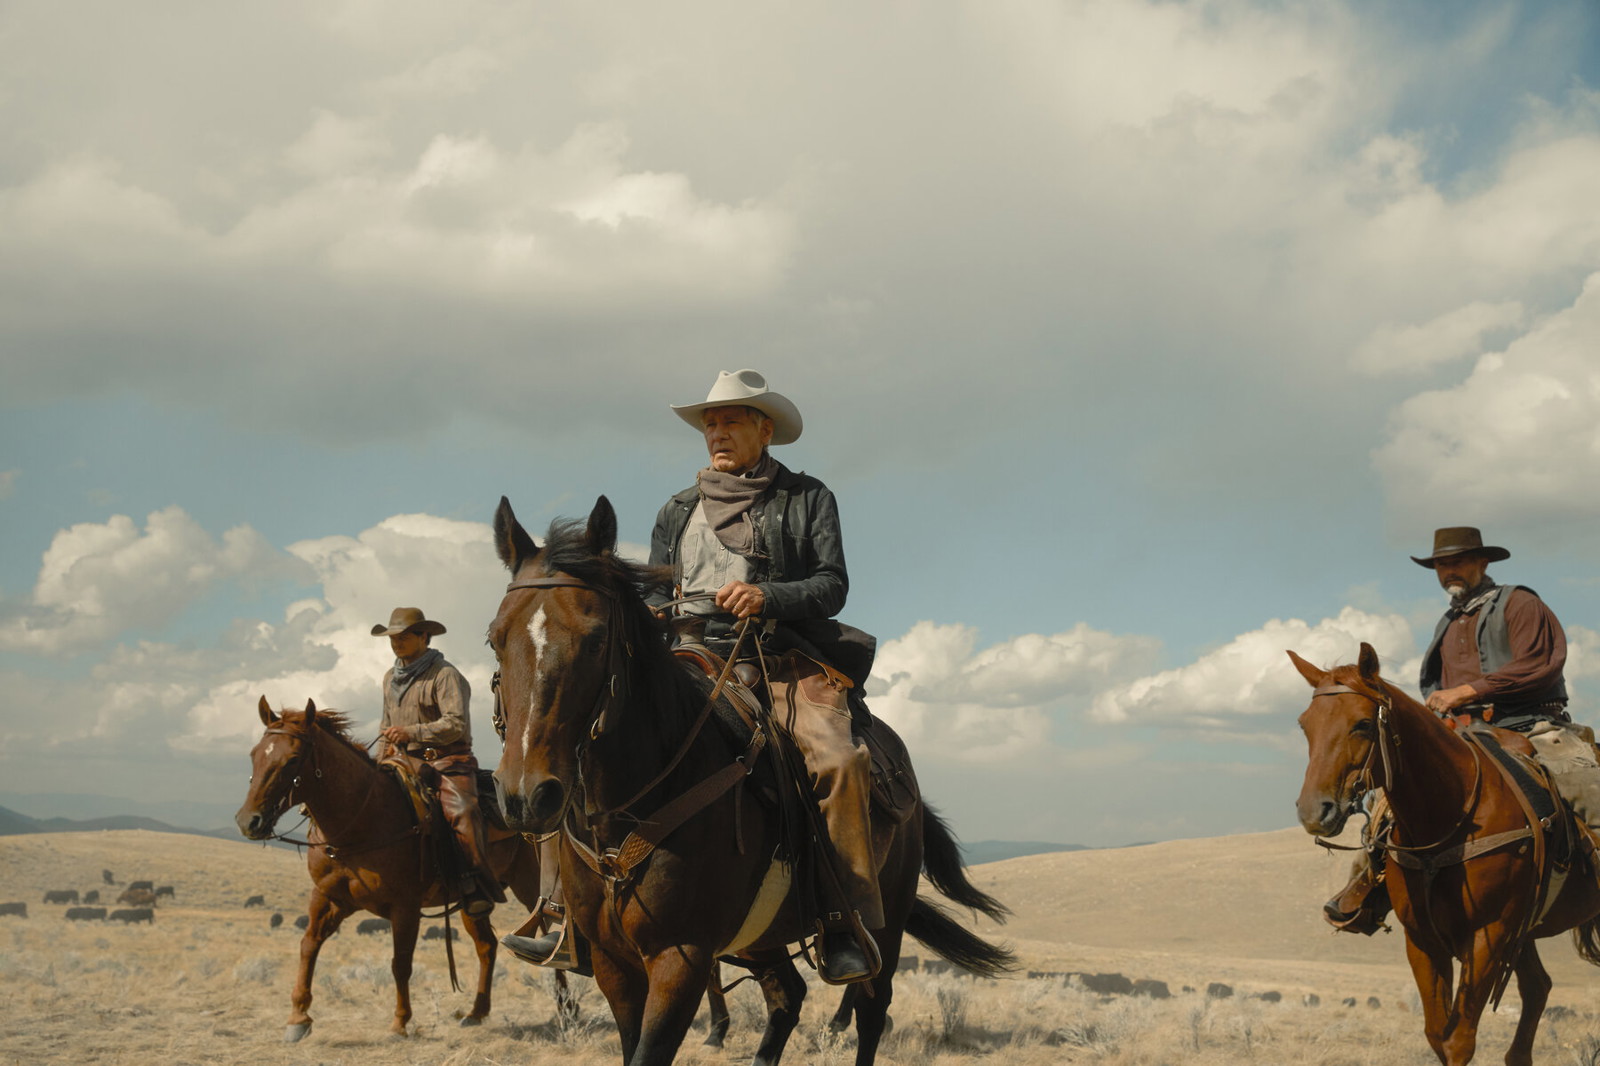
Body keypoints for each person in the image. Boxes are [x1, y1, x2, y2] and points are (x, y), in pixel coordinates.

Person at [503, 369, 882, 984]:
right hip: (685, 657)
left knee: (838, 762)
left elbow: (831, 584)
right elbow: (654, 593)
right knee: (576, 744)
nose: (717, 431)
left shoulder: (808, 498)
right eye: (710, 422)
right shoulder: (677, 509)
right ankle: (570, 916)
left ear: (766, 429)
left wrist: (766, 595)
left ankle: (844, 919)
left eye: (731, 419)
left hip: (776, 658)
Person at [1325, 526, 1570, 934]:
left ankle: (1588, 878)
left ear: (1483, 562)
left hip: (1530, 724)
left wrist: (1470, 690)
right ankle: (1370, 888)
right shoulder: (1448, 621)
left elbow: (1538, 664)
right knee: (1388, 807)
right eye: (1441, 564)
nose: (1448, 570)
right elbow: (1438, 687)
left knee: (1586, 788)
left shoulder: (1521, 604)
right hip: (1461, 733)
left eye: (1457, 561)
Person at [373, 606, 505, 915]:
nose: (396, 642)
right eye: (392, 637)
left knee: (463, 812)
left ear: (424, 636)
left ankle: (473, 882)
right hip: (403, 764)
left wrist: (411, 732)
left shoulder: (445, 674)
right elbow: (384, 726)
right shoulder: (389, 678)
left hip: (448, 762)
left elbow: (455, 724)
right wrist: (380, 763)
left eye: (403, 636)